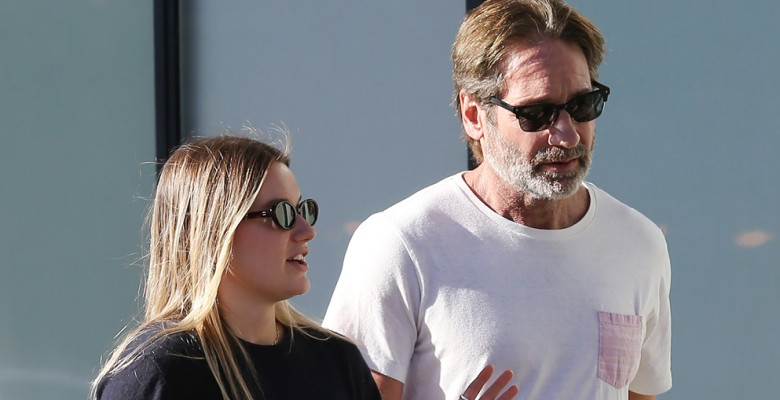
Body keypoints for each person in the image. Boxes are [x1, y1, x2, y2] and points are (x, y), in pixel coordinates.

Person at [322, 0, 672, 399]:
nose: (567, 134)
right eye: (537, 113)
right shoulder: (402, 244)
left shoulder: (638, 244)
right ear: (473, 115)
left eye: (581, 105)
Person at [91, 136, 381, 399]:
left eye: (303, 210)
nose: (306, 231)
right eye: (282, 214)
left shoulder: (337, 362)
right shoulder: (158, 372)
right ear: (213, 231)